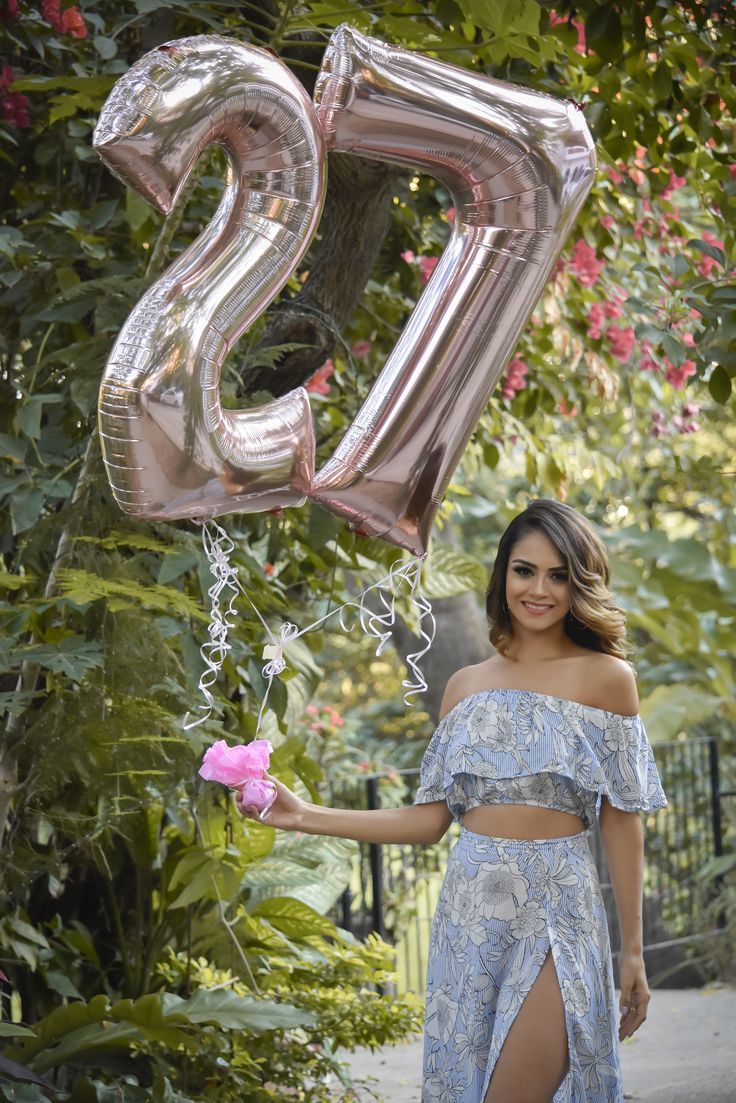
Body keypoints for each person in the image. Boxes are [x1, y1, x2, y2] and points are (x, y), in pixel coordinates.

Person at [237, 498, 668, 1103]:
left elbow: (622, 819)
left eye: (558, 575)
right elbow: (429, 821)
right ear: (502, 576)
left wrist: (633, 951)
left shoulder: (608, 678)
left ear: (580, 584)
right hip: (470, 913)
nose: (538, 589)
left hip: (558, 909)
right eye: (525, 570)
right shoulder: (466, 687)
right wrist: (303, 814)